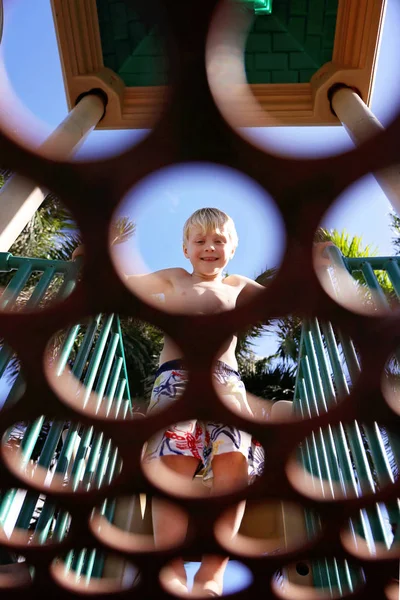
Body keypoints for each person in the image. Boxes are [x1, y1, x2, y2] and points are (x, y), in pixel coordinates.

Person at [73, 208, 332, 597]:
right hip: (175, 379)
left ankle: (212, 572)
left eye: (219, 241)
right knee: (173, 459)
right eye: (200, 241)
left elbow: (286, 300)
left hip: (225, 381)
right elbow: (126, 284)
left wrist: (314, 264)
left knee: (235, 459)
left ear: (232, 249)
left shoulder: (238, 285)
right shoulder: (174, 279)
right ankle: (171, 567)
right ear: (185, 249)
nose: (210, 247)